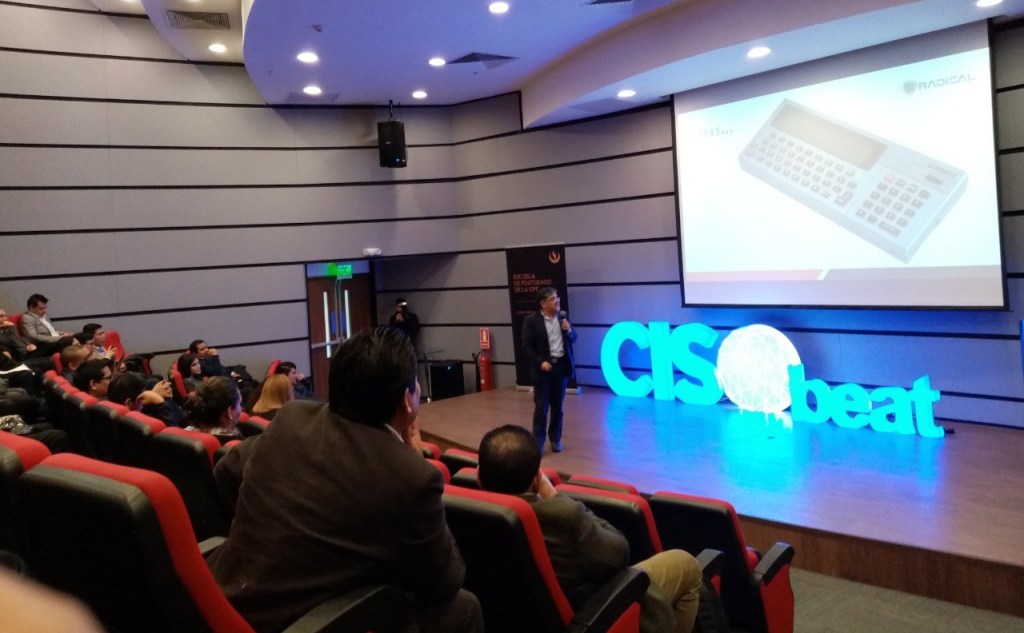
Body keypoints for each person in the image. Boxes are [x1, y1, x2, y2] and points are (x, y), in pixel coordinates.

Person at [208, 327, 482, 633]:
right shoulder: (412, 476)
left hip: (215, 602)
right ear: (408, 400)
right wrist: (413, 454)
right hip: (297, 623)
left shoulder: (291, 419)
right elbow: (445, 582)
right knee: (465, 608)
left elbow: (225, 470)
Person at [477, 424, 702, 633]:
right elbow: (618, 554)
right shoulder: (562, 514)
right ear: (537, 481)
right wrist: (555, 496)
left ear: (479, 477)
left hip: (514, 617)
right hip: (593, 612)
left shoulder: (468, 509)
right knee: (686, 564)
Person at [521, 286, 577, 453]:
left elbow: (574, 338)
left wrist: (569, 330)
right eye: (553, 299)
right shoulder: (531, 321)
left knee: (557, 407)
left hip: (561, 367)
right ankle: (538, 443)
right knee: (542, 408)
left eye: (557, 297)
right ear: (543, 303)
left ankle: (555, 439)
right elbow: (526, 347)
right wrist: (540, 363)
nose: (557, 301)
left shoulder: (563, 318)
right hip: (543, 370)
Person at [107, 371, 183, 427]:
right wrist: (160, 402)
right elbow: (175, 437)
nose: (146, 396)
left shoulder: (111, 416)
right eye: (143, 396)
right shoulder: (141, 425)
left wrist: (154, 393)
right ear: (128, 403)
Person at [181, 376, 243, 442]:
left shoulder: (182, 435)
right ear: (229, 412)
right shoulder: (239, 444)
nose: (241, 408)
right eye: (239, 404)